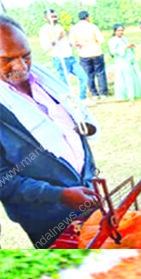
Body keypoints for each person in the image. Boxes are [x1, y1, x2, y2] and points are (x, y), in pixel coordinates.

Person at [0, 16, 100, 248]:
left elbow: (75, 129)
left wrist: (88, 174)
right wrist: (60, 195)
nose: (21, 67)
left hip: (88, 192)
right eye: (6, 60)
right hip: (48, 217)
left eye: (26, 55)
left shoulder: (47, 80)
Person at [38, 9, 91, 106]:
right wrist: (57, 38)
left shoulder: (59, 27)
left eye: (56, 16)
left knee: (83, 77)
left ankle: (82, 98)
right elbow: (46, 47)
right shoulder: (44, 30)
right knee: (64, 83)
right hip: (59, 58)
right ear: (46, 18)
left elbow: (64, 42)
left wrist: (72, 43)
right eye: (52, 17)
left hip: (70, 57)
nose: (55, 18)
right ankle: (69, 103)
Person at [69, 10, 108, 101]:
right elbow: (100, 39)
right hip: (96, 52)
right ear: (87, 17)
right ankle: (103, 93)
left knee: (88, 74)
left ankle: (94, 93)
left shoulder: (74, 28)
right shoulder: (93, 27)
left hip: (84, 54)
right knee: (100, 73)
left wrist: (79, 44)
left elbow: (72, 42)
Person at [108, 24, 141, 101]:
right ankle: (128, 95)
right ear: (115, 31)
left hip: (129, 59)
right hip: (121, 61)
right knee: (125, 78)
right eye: (119, 30)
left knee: (133, 75)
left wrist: (131, 47)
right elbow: (113, 51)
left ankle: (134, 93)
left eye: (122, 30)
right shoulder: (112, 40)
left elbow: (127, 48)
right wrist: (125, 48)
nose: (121, 32)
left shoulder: (124, 38)